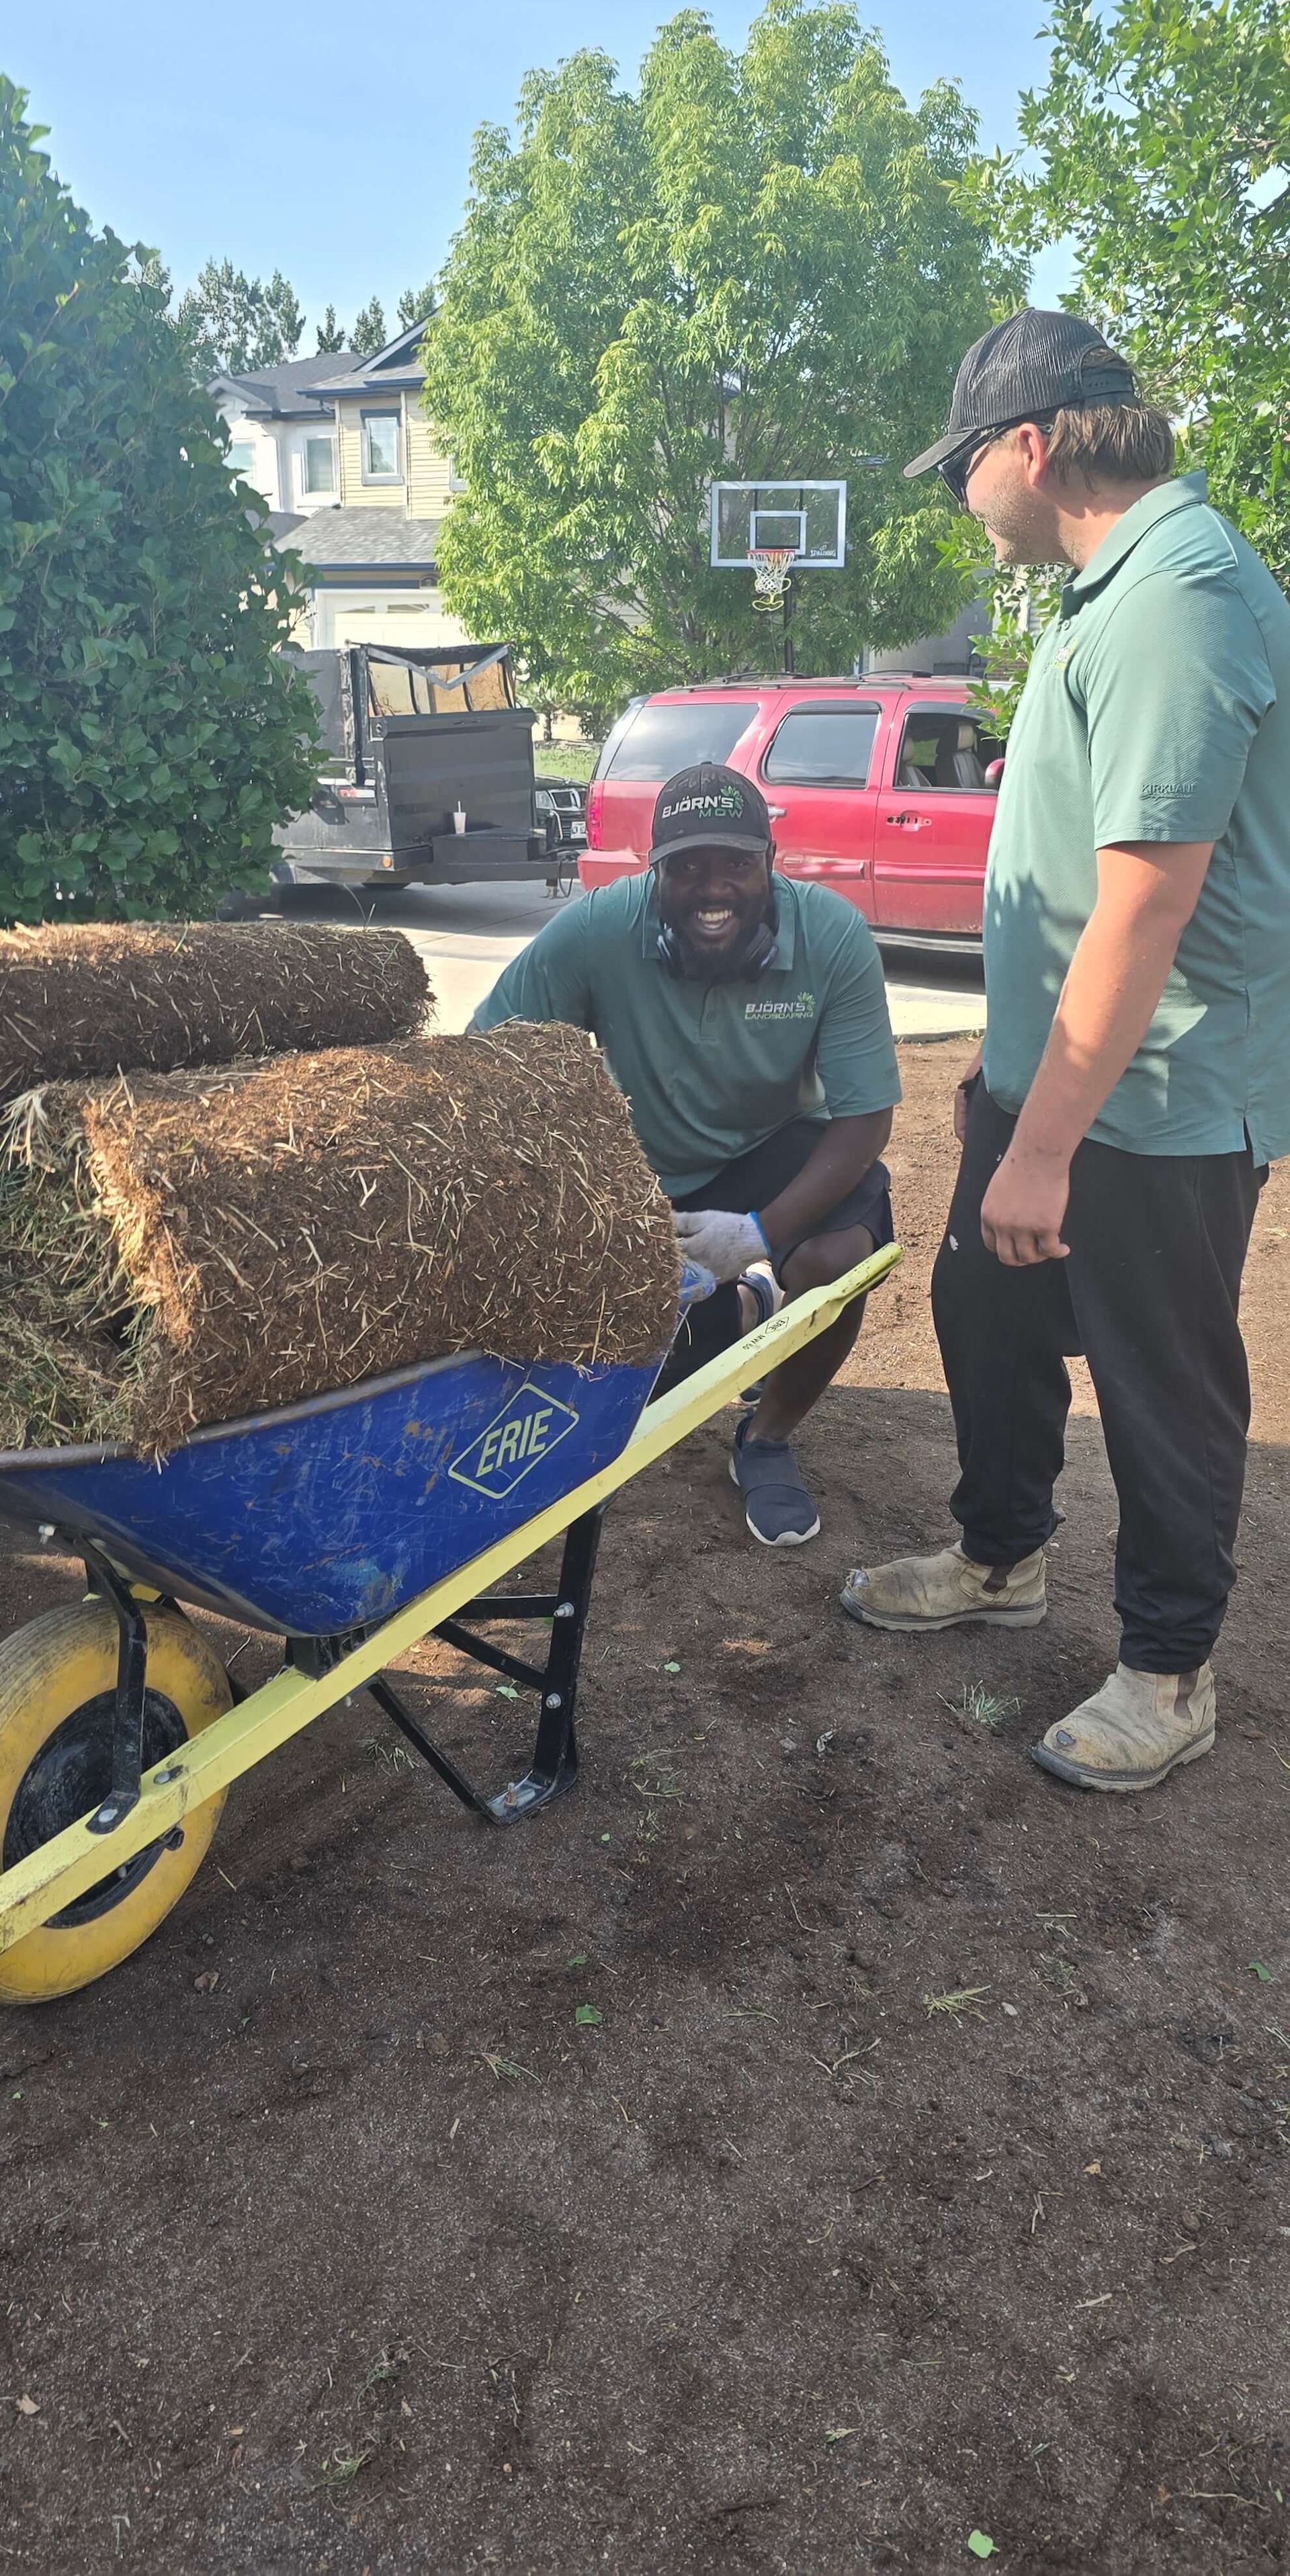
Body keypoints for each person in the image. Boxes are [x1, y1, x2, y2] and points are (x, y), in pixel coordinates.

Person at [843, 307, 1290, 1793]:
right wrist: (1009, 1091)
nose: (960, 495)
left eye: (961, 464)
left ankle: (1169, 1671)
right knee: (992, 1319)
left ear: (1029, 447)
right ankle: (999, 1556)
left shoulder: (1181, 596)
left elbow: (1146, 902)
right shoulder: (1116, 593)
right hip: (1059, 1086)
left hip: (1154, 1102)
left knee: (1165, 1384)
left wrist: (1042, 1147)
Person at [472, 761, 900, 1546]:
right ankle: (739, 1312)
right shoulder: (600, 929)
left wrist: (759, 1236)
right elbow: (491, 1060)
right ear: (655, 873)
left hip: (778, 1151)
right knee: (662, 1384)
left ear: (770, 864)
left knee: (836, 1256)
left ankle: (766, 1439)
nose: (715, 887)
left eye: (737, 863)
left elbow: (865, 1118)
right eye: (689, 866)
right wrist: (578, 1191)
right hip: (644, 1173)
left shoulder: (830, 935)